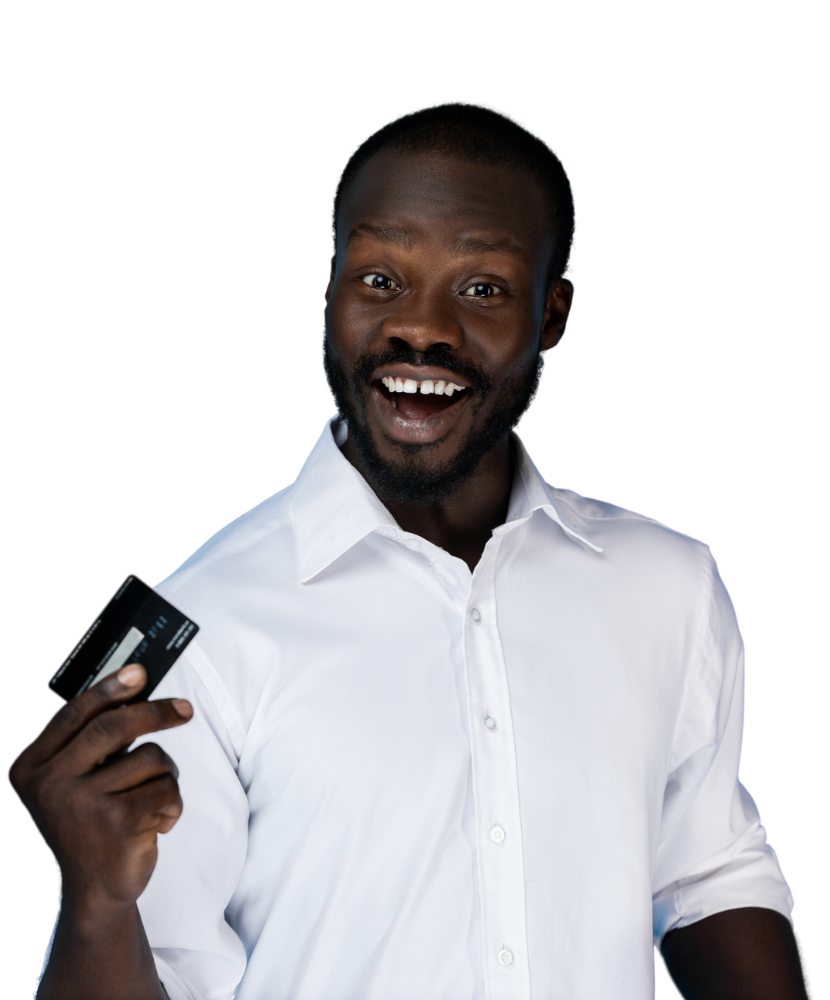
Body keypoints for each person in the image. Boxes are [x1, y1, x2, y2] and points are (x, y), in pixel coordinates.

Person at [9, 104, 809, 999]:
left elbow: (707, 872)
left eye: (481, 289)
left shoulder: (669, 584)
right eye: (382, 279)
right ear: (330, 289)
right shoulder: (207, 626)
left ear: (552, 315)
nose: (418, 328)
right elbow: (162, 970)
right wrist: (94, 908)